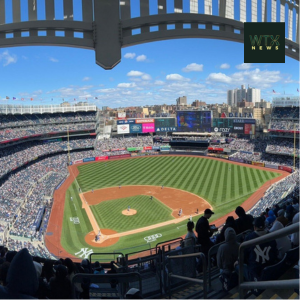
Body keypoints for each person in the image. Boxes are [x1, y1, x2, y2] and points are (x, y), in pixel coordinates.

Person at [235, 216, 278, 282]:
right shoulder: (270, 235)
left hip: (256, 274)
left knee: (237, 266)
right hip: (271, 269)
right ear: (264, 226)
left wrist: (238, 261)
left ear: (254, 227)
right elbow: (275, 252)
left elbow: (242, 257)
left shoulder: (249, 238)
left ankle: (247, 287)